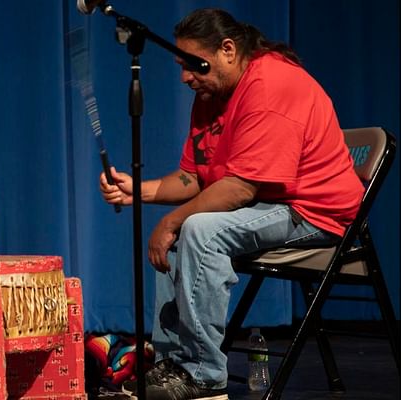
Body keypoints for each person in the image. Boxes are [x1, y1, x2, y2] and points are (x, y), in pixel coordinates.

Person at [99, 8, 363, 400]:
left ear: (227, 49)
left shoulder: (272, 83)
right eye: (181, 66)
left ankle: (204, 377)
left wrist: (170, 221)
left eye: (194, 65)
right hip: (271, 203)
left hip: (314, 212)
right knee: (186, 229)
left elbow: (241, 188)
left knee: (199, 230)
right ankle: (173, 367)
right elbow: (195, 178)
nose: (186, 77)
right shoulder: (212, 92)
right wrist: (139, 190)